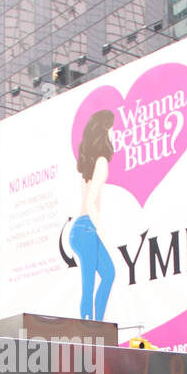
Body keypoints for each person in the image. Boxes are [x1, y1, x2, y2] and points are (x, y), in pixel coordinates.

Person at [67, 109, 116, 321]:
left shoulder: (90, 162)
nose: (114, 135)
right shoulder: (102, 162)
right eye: (111, 130)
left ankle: (96, 325)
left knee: (105, 275)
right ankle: (92, 328)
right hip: (87, 228)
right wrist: (102, 232)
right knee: (90, 282)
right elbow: (90, 202)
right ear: (104, 132)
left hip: (80, 229)